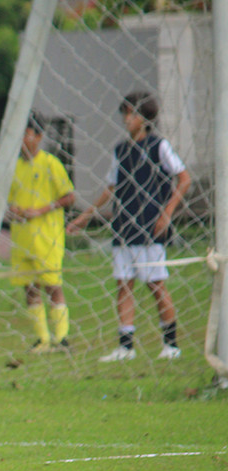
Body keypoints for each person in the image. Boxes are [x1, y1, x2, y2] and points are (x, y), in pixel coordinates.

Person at [68, 91, 191, 362]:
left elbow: (184, 178)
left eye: (131, 114)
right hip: (123, 226)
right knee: (123, 284)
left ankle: (171, 344)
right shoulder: (120, 150)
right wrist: (86, 216)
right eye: (124, 113)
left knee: (156, 284)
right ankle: (125, 347)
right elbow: (111, 187)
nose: (126, 119)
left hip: (151, 227)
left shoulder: (159, 146)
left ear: (145, 118)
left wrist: (167, 212)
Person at [6, 112, 76, 353]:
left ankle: (62, 337)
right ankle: (42, 339)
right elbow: (9, 201)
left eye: (27, 135)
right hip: (22, 238)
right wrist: (14, 210)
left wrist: (43, 209)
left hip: (48, 236)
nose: (24, 140)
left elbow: (69, 196)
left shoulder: (50, 164)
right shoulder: (14, 167)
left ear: (38, 136)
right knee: (29, 287)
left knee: (53, 285)